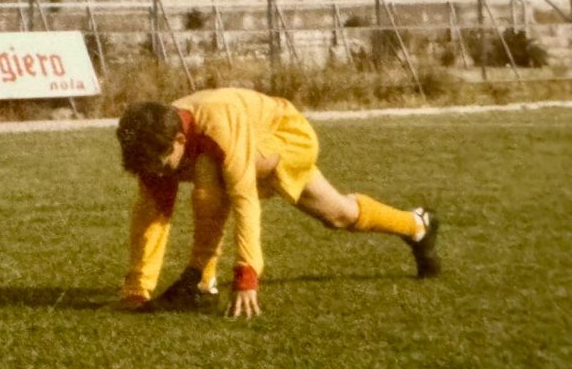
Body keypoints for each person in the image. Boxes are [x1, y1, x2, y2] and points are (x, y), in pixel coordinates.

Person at [113, 88, 440, 318]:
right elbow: (151, 214)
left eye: (161, 164)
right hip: (254, 145)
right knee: (339, 214)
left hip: (288, 135)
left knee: (209, 168)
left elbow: (244, 199)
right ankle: (417, 225)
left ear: (180, 140)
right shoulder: (156, 137)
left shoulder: (216, 126)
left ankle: (200, 281)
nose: (158, 173)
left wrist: (247, 273)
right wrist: (137, 289)